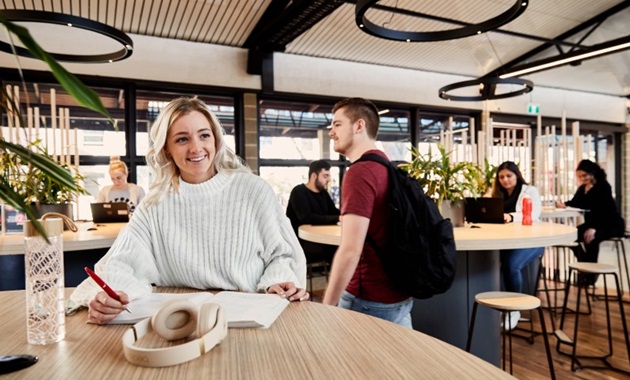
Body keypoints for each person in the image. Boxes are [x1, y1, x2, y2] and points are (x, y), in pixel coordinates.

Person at [70, 97, 308, 324]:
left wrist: (278, 281)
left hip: (252, 316)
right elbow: (119, 265)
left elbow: (283, 254)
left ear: (215, 140)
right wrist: (110, 297)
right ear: (166, 150)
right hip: (176, 322)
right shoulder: (155, 204)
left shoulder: (254, 190)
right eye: (182, 139)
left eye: (204, 135)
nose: (196, 148)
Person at [322, 97, 413, 328]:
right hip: (399, 295)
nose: (331, 131)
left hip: (368, 298)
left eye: (337, 124)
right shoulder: (387, 167)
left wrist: (326, 307)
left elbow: (351, 250)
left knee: (342, 365)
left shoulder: (360, 172)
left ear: (359, 126)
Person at [492, 161, 544, 329]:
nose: (505, 180)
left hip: (532, 240)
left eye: (509, 176)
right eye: (501, 177)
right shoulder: (497, 194)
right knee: (492, 263)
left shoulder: (530, 191)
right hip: (508, 241)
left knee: (511, 265)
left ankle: (514, 309)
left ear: (517, 175)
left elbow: (534, 215)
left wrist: (511, 216)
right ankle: (501, 305)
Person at [557, 159, 624, 284]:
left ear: (592, 173)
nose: (582, 178)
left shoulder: (603, 186)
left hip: (610, 223)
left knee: (591, 238)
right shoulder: (583, 188)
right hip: (592, 223)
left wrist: (594, 228)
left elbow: (606, 211)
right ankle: (586, 269)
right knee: (570, 236)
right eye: (579, 176)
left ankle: (590, 276)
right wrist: (564, 204)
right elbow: (576, 202)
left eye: (584, 175)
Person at [286, 159, 340, 264]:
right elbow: (306, 218)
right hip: (300, 242)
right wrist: (338, 218)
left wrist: (348, 213)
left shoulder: (323, 193)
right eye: (325, 176)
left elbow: (334, 212)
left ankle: (342, 278)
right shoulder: (299, 192)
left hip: (320, 239)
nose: (329, 180)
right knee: (338, 250)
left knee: (345, 248)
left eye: (329, 176)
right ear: (314, 176)